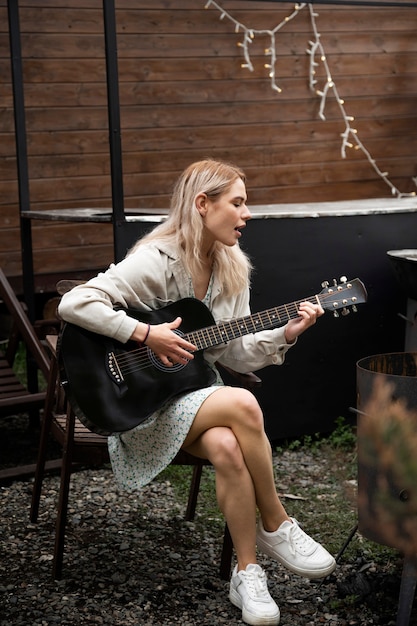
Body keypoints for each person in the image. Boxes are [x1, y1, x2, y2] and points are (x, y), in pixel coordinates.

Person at [58, 159, 336, 626]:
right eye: (238, 203)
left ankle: (246, 573)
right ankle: (276, 522)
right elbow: (74, 302)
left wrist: (286, 335)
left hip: (193, 397)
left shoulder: (233, 269)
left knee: (228, 446)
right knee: (244, 402)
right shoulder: (156, 259)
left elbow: (236, 353)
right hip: (139, 406)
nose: (247, 215)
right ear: (202, 205)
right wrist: (145, 336)